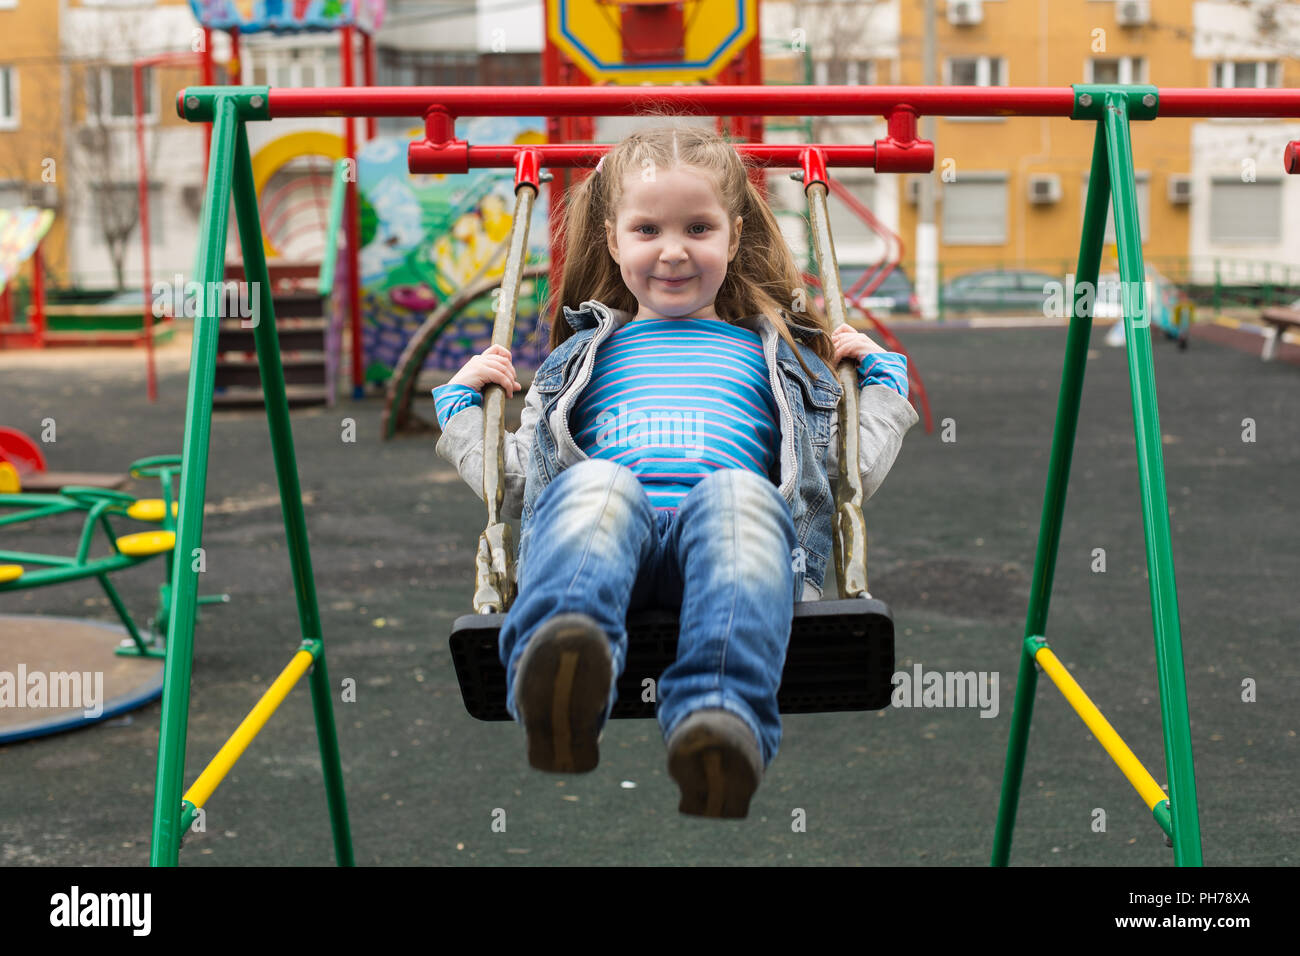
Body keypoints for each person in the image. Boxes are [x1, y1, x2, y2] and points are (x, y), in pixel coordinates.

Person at [432, 122, 918, 819]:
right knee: (600, 486)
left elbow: (841, 476)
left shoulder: (773, 357)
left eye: (697, 228)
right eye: (647, 230)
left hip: (726, 560)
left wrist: (881, 385)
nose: (672, 251)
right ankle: (563, 672)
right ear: (612, 239)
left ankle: (716, 726)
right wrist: (461, 406)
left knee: (738, 494)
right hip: (604, 557)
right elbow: (513, 482)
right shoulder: (578, 363)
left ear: (733, 232)